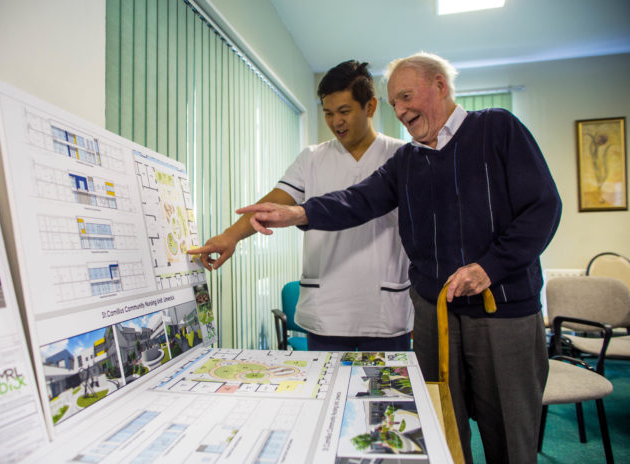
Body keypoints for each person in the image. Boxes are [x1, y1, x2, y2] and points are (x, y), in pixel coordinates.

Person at [237, 52, 562, 464]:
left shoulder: (496, 128)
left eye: (408, 96)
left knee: (510, 431)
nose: (402, 110)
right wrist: (299, 212)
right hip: (435, 316)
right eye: (395, 102)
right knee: (440, 426)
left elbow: (543, 208)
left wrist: (489, 268)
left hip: (502, 311)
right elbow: (358, 200)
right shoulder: (407, 160)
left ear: (440, 86)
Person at [188, 60, 414, 352]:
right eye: (328, 113)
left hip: (384, 311)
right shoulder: (311, 158)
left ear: (370, 107)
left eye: (344, 111)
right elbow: (273, 205)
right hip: (327, 313)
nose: (335, 122)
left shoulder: (403, 155)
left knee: (387, 397)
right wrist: (230, 236)